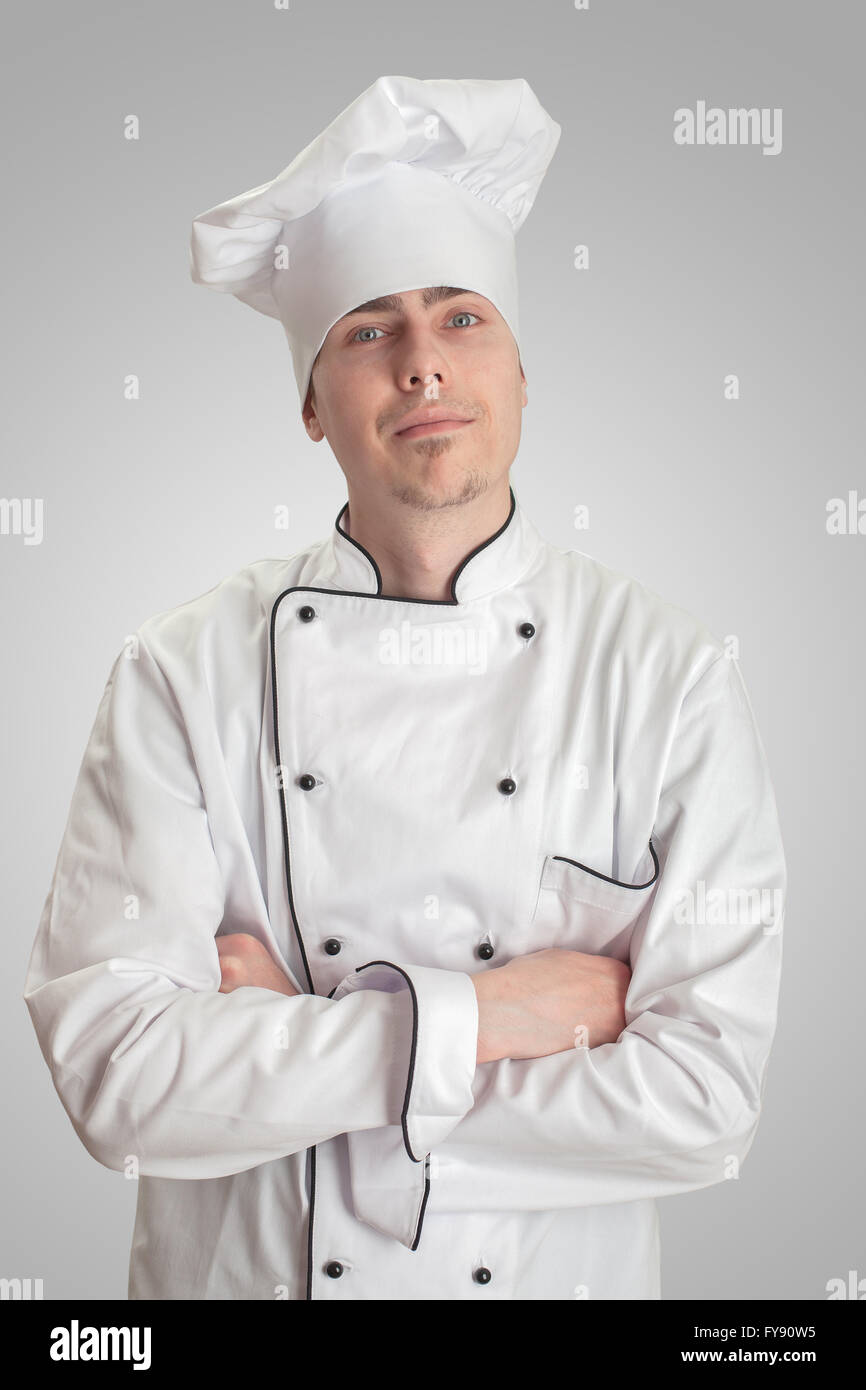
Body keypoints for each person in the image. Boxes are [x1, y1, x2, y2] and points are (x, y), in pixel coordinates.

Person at [23, 75, 786, 1301]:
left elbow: (703, 1104)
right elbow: (120, 1082)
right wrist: (494, 1016)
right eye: (370, 329)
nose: (423, 364)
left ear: (523, 377)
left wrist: (294, 1050)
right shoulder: (181, 672)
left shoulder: (668, 676)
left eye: (461, 319)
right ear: (313, 404)